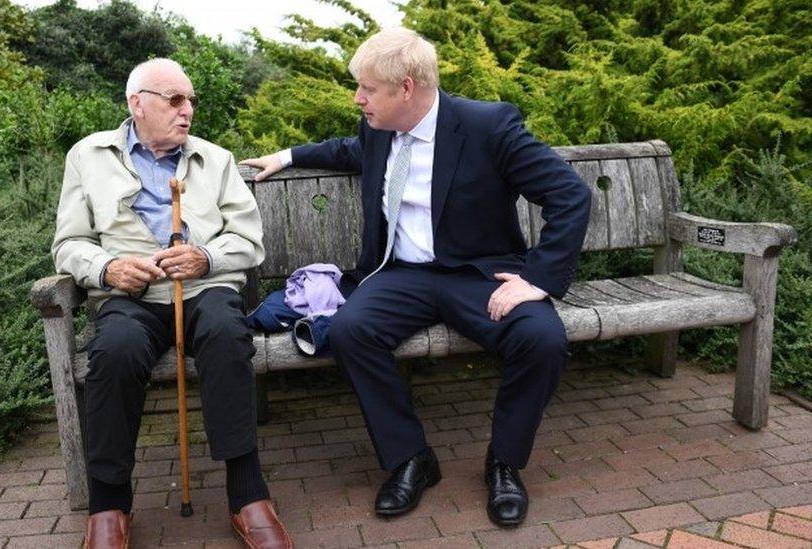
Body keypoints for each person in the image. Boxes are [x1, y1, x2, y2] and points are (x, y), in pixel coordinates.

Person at [241, 28, 591, 528]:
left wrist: (539, 277)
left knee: (542, 338)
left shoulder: (488, 125)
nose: (357, 98)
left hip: (477, 273)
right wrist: (289, 156)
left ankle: (505, 463)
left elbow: (571, 195)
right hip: (399, 275)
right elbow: (348, 150)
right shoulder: (379, 129)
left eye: (368, 89)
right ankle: (410, 458)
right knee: (348, 331)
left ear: (406, 88)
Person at [52, 58, 293, 549]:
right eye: (175, 100)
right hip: (130, 295)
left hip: (205, 289)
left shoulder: (216, 160)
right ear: (136, 103)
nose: (187, 111)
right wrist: (106, 269)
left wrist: (205, 257)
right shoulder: (88, 156)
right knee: (114, 351)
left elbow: (249, 241)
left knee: (228, 335)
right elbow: (69, 242)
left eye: (191, 101)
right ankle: (109, 504)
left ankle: (248, 494)